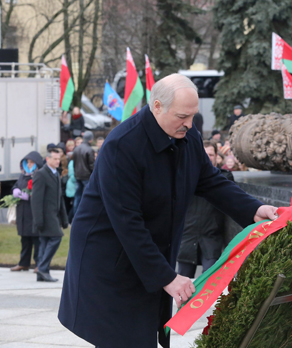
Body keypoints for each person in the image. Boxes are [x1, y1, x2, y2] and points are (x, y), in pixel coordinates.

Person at [58, 73, 277, 348]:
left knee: (144, 335)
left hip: (148, 256)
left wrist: (253, 209)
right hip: (110, 263)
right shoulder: (122, 146)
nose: (190, 124)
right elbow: (127, 223)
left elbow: (208, 179)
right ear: (157, 106)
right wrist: (167, 277)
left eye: (193, 115)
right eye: (182, 116)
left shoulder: (187, 133)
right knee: (124, 339)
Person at [177, 141, 234, 278]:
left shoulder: (224, 177)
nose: (208, 157)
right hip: (187, 237)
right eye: (204, 154)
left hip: (211, 238)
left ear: (216, 156)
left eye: (211, 154)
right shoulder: (186, 175)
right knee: (184, 283)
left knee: (209, 282)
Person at [31, 149, 69, 282]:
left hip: (54, 215)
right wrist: (38, 220)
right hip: (46, 216)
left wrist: (64, 220)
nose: (57, 161)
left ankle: (42, 272)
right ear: (48, 159)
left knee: (45, 242)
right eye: (54, 159)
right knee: (56, 237)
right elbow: (36, 200)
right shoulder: (41, 174)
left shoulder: (56, 174)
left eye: (58, 159)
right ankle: (42, 268)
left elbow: (60, 199)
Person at [10, 151, 43, 273]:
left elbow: (40, 193)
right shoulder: (23, 175)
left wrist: (29, 196)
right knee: (25, 240)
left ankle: (39, 264)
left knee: (37, 241)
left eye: (31, 162)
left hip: (33, 213)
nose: (29, 165)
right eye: (27, 162)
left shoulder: (39, 175)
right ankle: (23, 263)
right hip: (23, 213)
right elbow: (15, 186)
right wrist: (16, 191)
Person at [73, 131, 95, 214]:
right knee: (87, 197)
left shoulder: (76, 148)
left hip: (77, 175)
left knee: (77, 197)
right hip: (87, 176)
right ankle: (87, 214)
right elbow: (92, 165)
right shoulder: (89, 149)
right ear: (90, 139)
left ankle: (76, 216)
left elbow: (74, 163)